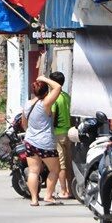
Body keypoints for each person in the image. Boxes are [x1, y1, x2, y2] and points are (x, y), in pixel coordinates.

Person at [20, 75, 63, 206]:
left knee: (33, 171)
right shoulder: (45, 103)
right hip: (45, 142)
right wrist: (44, 79)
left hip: (30, 141)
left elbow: (24, 124)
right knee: (55, 169)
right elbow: (58, 87)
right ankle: (48, 196)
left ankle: (34, 199)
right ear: (46, 92)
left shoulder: (27, 104)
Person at [49, 71, 73, 200]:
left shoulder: (54, 98)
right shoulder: (67, 96)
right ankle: (72, 189)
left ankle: (64, 191)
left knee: (61, 165)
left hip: (58, 134)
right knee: (69, 164)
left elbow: (52, 117)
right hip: (69, 133)